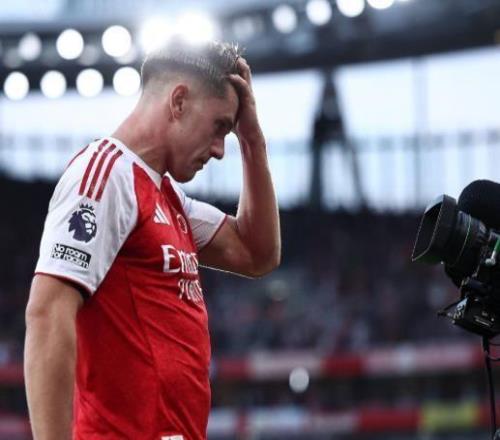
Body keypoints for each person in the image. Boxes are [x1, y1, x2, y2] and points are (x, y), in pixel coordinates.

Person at [24, 38, 281, 440]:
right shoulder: (105, 175)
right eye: (219, 128)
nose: (219, 150)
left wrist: (252, 139)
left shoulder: (168, 196)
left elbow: (257, 253)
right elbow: (46, 314)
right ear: (178, 102)